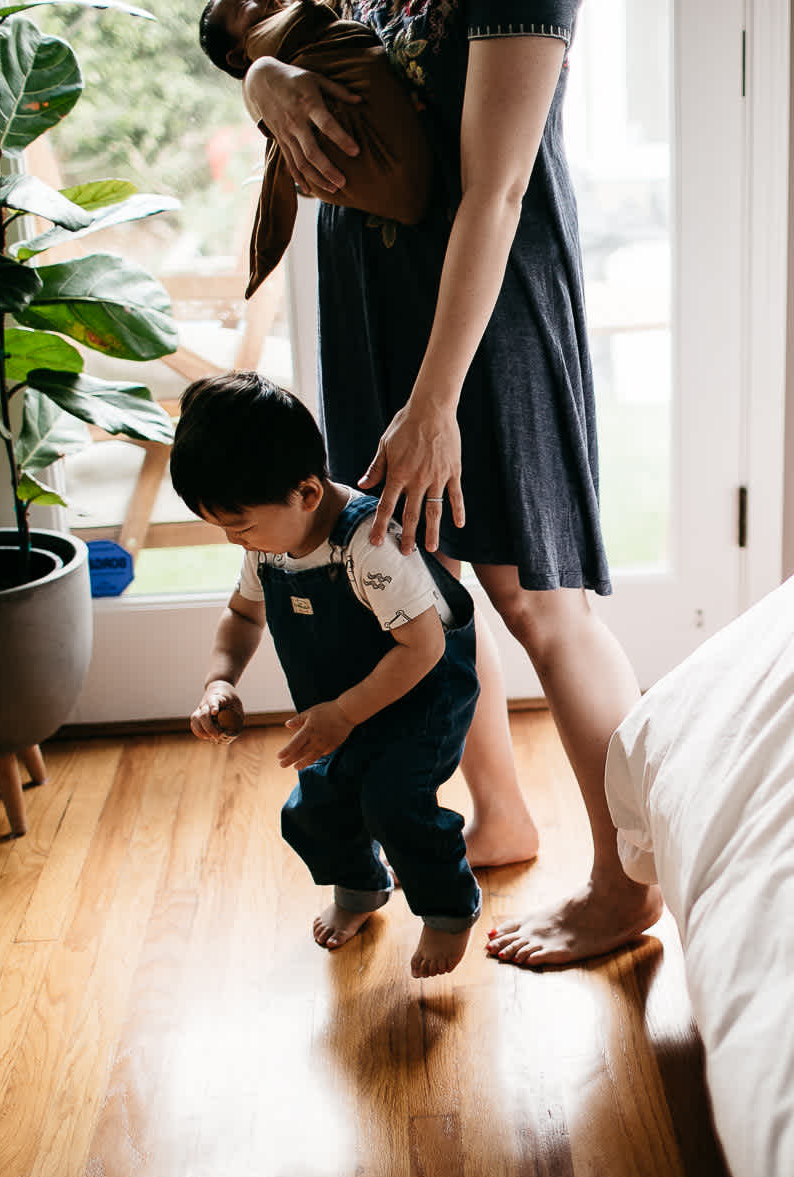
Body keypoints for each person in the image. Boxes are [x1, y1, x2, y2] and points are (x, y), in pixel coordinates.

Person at [237, 0, 663, 966]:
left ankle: (625, 886)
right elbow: (269, 42)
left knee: (542, 603)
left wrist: (434, 407)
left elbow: (498, 189)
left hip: (484, 317)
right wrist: (267, 86)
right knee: (419, 580)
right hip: (372, 299)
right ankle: (501, 815)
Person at [171, 370, 481, 979]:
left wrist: (342, 714)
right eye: (224, 529)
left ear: (307, 494)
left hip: (422, 694)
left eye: (241, 525)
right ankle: (361, 889)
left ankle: (448, 912)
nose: (237, 542)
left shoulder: (369, 544)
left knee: (394, 802)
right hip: (339, 698)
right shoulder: (267, 544)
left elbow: (420, 649)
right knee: (316, 806)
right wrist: (219, 680)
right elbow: (241, 616)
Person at [198, 0, 431, 298]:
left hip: (426, 239)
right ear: (237, 55)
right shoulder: (279, 39)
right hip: (358, 254)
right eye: (244, 4)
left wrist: (260, 73)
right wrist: (258, 76)